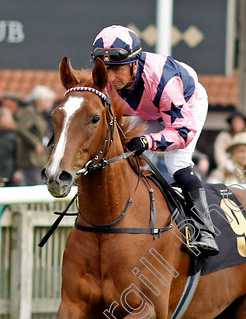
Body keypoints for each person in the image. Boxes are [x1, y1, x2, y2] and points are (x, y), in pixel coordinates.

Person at [92, 25, 217, 254]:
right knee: (125, 158)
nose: (110, 78)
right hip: (143, 110)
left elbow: (182, 132)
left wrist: (148, 141)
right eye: (105, 69)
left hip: (185, 107)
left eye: (117, 69)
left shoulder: (163, 80)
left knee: (175, 163)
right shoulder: (105, 81)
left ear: (134, 62)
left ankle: (205, 229)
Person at [15, 85, 54, 185]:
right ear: (40, 100)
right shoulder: (30, 112)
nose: (49, 103)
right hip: (31, 159)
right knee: (34, 184)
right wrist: (35, 143)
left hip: (39, 159)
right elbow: (21, 129)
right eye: (47, 100)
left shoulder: (39, 114)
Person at [0, 108, 18, 184]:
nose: (7, 121)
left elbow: (16, 156)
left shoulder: (13, 137)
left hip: (8, 171)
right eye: (5, 118)